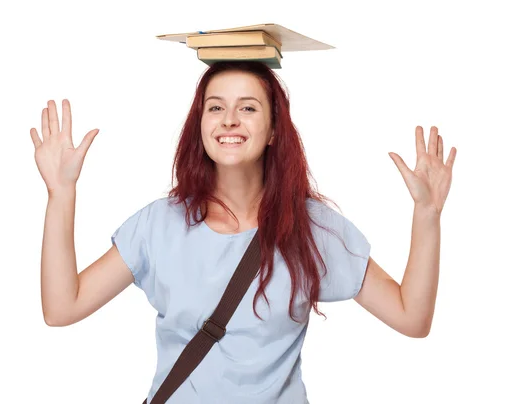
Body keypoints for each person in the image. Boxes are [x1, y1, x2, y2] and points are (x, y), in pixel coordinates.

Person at [30, 61, 457, 403]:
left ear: (274, 130)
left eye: (248, 108)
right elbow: (62, 308)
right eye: (215, 107)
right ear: (200, 124)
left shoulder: (312, 227)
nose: (229, 120)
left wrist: (427, 215)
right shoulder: (159, 224)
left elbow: (411, 317)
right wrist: (61, 193)